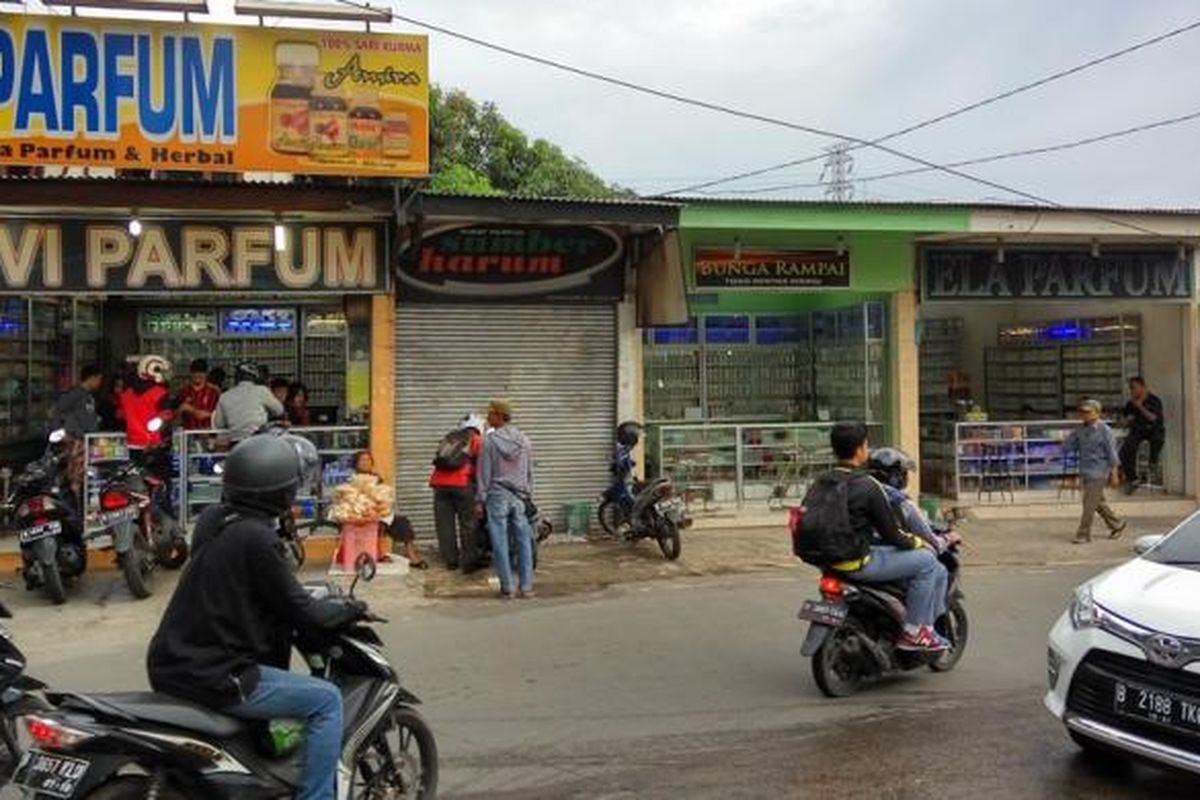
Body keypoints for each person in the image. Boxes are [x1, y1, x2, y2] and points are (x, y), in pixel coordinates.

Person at [146, 434, 365, 800]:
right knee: (326, 700)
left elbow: (242, 583)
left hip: (172, 661)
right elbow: (304, 612)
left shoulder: (214, 520)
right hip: (217, 673)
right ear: (281, 491)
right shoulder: (257, 539)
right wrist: (351, 608)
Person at [813, 423, 949, 652]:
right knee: (928, 563)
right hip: (857, 560)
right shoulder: (868, 487)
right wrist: (920, 543)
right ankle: (915, 632)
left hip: (827, 560)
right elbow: (893, 534)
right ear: (859, 450)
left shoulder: (823, 480)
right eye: (865, 444)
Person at [475, 400, 535, 599]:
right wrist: (528, 494)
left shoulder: (488, 441)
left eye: (490, 414)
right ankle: (526, 587)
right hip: (519, 496)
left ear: (500, 416)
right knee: (523, 541)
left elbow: (484, 473)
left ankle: (507, 587)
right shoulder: (525, 440)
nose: (487, 418)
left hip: (497, 495)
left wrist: (480, 499)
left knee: (500, 542)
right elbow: (529, 472)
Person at [867, 447, 962, 555]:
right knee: (935, 566)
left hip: (871, 551)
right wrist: (949, 537)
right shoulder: (900, 502)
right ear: (894, 476)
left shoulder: (866, 492)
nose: (905, 477)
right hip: (893, 554)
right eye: (903, 473)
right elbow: (934, 543)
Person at [352, 450, 427, 569]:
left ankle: (411, 555)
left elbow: (383, 496)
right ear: (356, 463)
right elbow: (352, 500)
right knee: (377, 524)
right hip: (361, 514)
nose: (366, 462)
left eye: (368, 460)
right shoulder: (352, 480)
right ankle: (378, 554)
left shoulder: (376, 478)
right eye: (363, 460)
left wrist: (383, 504)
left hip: (379, 511)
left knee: (402, 522)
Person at [428, 413, 485, 571]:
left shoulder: (450, 437)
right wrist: (481, 492)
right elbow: (482, 467)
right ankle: (468, 562)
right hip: (462, 485)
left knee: (444, 524)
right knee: (468, 523)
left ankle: (450, 560)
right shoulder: (477, 440)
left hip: (439, 484)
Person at [1065, 399, 1126, 543]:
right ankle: (1117, 524)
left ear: (1098, 413)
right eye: (1082, 412)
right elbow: (1069, 446)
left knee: (1088, 504)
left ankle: (1083, 534)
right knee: (1097, 502)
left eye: (1088, 412)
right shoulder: (1079, 430)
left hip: (1099, 471)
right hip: (1085, 470)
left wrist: (1114, 474)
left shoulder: (1105, 430)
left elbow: (1112, 453)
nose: (1084, 415)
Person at [50, 364, 103, 504]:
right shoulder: (75, 394)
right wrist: (61, 433)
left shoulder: (88, 397)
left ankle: (84, 503)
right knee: (77, 474)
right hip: (77, 441)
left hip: (89, 441)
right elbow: (56, 411)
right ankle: (77, 505)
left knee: (86, 474)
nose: (100, 383)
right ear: (91, 378)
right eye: (98, 379)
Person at [214, 361, 285, 444]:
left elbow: (219, 424)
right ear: (254, 376)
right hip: (259, 441)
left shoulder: (224, 396)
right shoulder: (261, 390)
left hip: (236, 443)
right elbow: (279, 410)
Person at [1120, 376, 1165, 494]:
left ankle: (1152, 463)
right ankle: (1133, 478)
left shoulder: (1154, 400)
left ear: (1142, 387)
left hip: (1153, 430)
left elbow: (1154, 418)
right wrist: (1127, 420)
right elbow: (1123, 421)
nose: (1132, 391)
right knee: (1125, 450)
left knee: (1158, 439)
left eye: (1134, 387)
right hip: (1137, 431)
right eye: (1130, 388)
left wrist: (1140, 407)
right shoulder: (1130, 404)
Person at [177, 358, 220, 431]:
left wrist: (190, 409)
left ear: (206, 374)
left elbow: (217, 415)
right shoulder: (183, 391)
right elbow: (177, 416)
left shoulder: (213, 392)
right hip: (188, 434)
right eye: (195, 372)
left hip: (207, 433)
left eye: (201, 372)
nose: (197, 375)